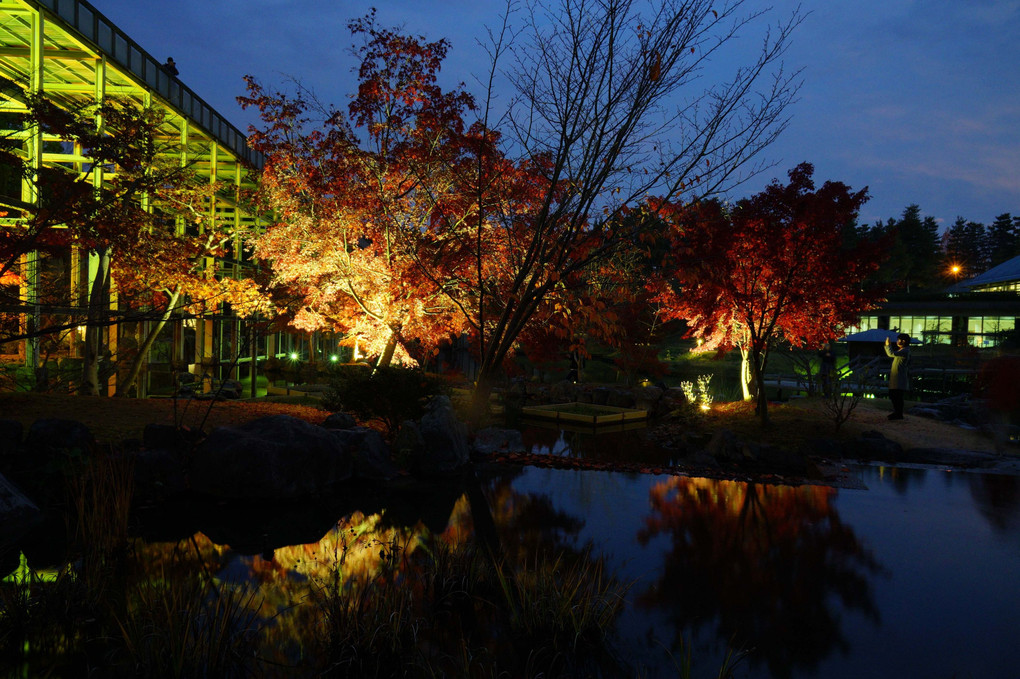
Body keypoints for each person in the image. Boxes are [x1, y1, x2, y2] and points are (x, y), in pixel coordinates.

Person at [884, 333, 911, 420]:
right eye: (899, 340)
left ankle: (898, 413)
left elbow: (891, 354)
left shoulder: (905, 351)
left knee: (897, 396)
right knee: (895, 396)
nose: (899, 342)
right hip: (897, 377)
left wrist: (888, 345)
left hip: (899, 378)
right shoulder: (902, 351)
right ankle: (897, 413)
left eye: (902, 340)